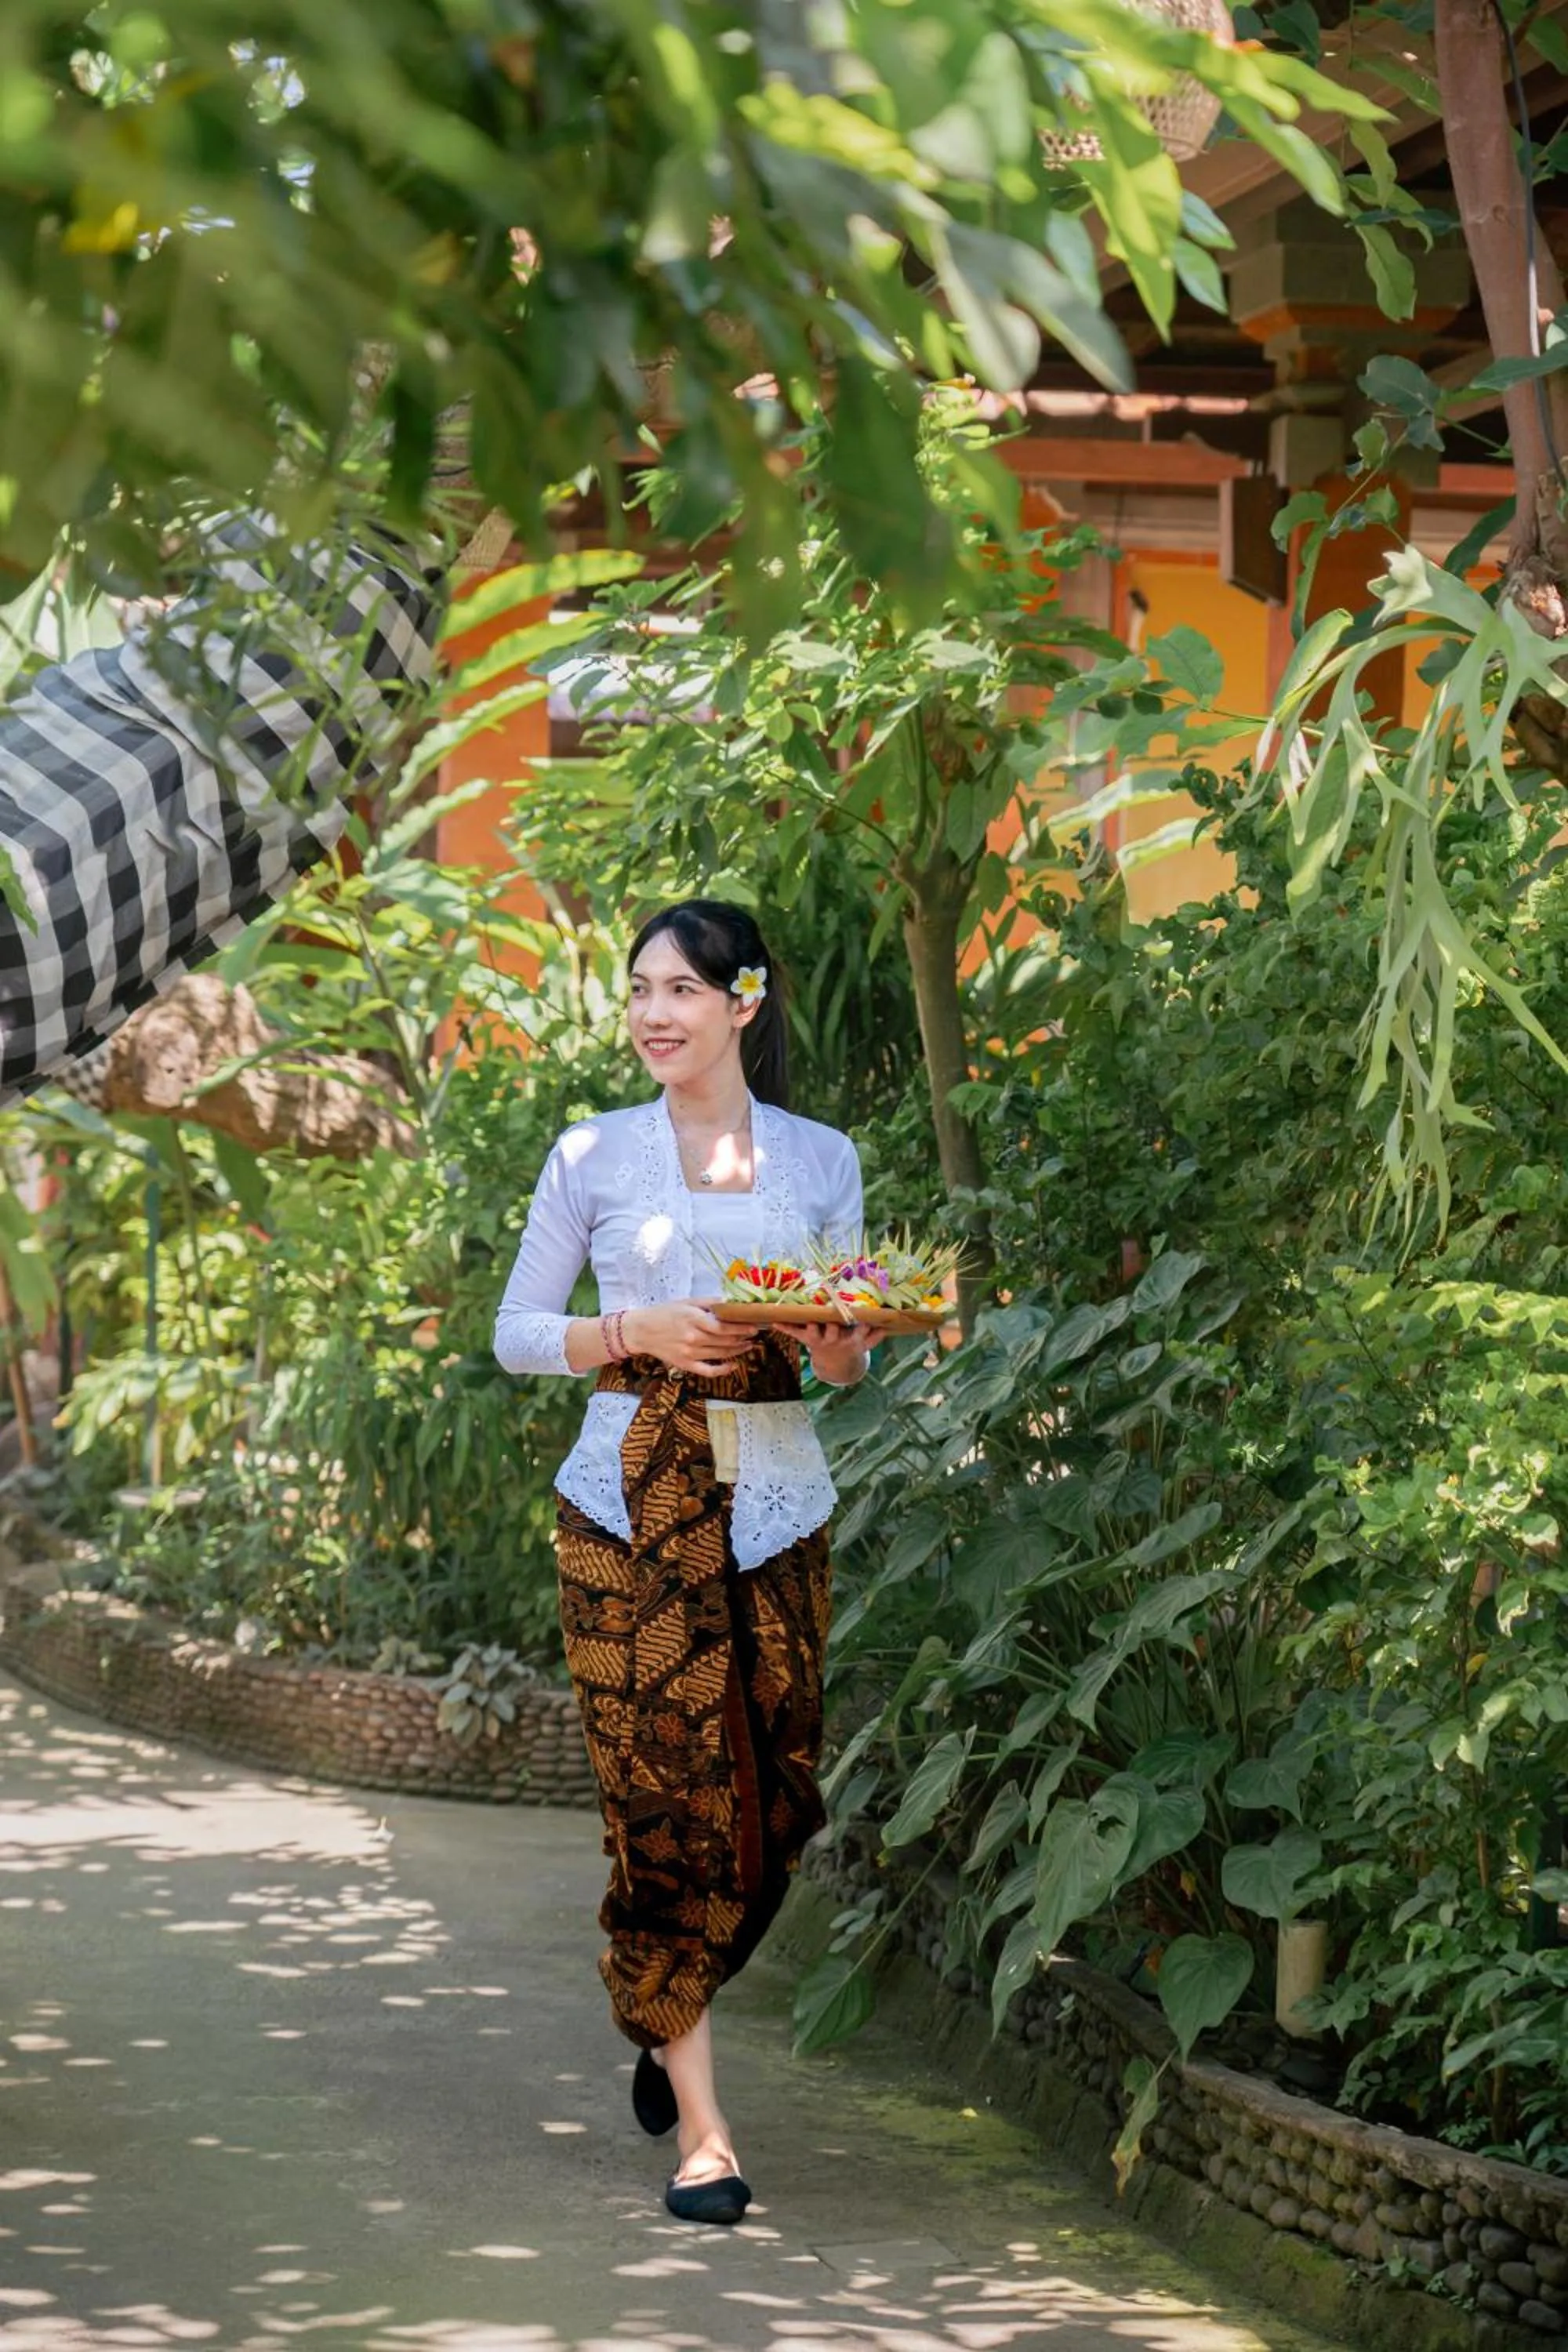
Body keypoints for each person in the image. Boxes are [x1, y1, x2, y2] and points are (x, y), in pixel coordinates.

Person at [493, 897, 871, 2228]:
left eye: (682, 991)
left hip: (774, 1497)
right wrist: (631, 1326)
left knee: (777, 1791)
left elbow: (840, 1354)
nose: (654, 1013)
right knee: (661, 1797)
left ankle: (668, 2000)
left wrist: (842, 1337)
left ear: (743, 1004)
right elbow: (517, 1333)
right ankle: (704, 2129)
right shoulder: (591, 1152)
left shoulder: (823, 1159)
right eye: (639, 989)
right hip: (620, 1507)